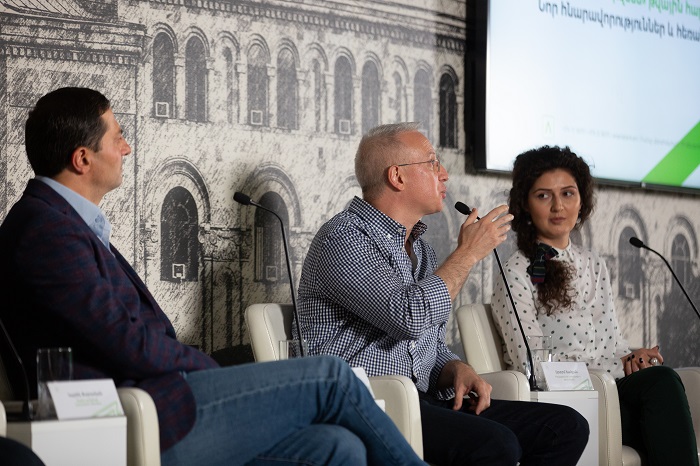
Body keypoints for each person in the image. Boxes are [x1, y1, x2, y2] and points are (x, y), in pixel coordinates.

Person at [0, 87, 427, 466]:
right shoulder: (45, 230)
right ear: (82, 159)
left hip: (160, 401)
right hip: (139, 419)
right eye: (117, 137)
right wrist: (207, 366)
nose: (127, 148)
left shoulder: (63, 224)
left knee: (336, 447)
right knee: (332, 378)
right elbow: (122, 341)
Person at [296, 122, 589, 465]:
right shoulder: (344, 238)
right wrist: (468, 253)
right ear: (397, 177)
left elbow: (427, 345)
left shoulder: (422, 251)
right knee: (496, 444)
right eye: (433, 163)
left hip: (420, 399)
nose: (444, 174)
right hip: (367, 403)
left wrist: (454, 367)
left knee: (565, 427)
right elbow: (407, 317)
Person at [491, 145, 699, 465]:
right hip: (568, 404)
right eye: (544, 196)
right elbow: (531, 367)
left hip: (610, 390)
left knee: (661, 379)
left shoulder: (593, 263)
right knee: (662, 394)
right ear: (525, 204)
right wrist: (607, 371)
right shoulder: (516, 272)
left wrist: (630, 359)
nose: (558, 206)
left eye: (568, 193)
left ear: (582, 200)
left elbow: (612, 344)